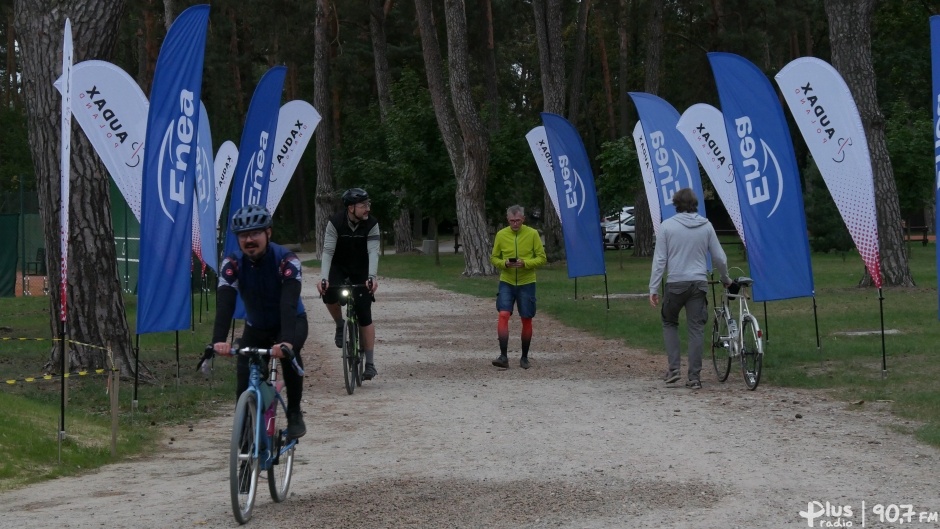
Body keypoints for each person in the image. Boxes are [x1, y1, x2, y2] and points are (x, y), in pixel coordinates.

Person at [211, 204, 308, 439]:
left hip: (291, 321)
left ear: (268, 233)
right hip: (256, 326)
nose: (249, 239)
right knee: (243, 381)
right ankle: (244, 441)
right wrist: (218, 341)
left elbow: (288, 304)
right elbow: (225, 304)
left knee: (287, 356)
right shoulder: (232, 265)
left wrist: (286, 342)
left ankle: (294, 412)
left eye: (255, 233)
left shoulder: (287, 260)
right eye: (244, 235)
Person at [648, 188, 730, 390]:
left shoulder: (667, 227)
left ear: (676, 204)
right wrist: (725, 278)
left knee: (669, 322)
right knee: (696, 329)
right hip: (698, 284)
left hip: (675, 283)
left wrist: (654, 288)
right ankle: (694, 376)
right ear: (695, 204)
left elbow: (660, 260)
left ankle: (674, 369)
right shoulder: (706, 226)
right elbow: (719, 257)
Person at [316, 188, 381, 380]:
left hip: (361, 269)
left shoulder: (372, 224)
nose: (367, 209)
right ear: (351, 208)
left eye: (368, 204)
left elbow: (373, 252)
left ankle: (369, 363)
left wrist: (372, 277)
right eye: (363, 205)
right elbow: (327, 252)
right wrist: (323, 278)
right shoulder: (335, 223)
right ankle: (339, 324)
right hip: (339, 267)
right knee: (328, 293)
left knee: (364, 313)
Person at [489, 205, 547, 369]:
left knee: (526, 318)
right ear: (508, 220)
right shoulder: (501, 235)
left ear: (523, 219)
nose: (515, 224)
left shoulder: (532, 234)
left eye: (518, 221)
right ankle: (503, 356)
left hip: (526, 281)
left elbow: (542, 258)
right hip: (506, 280)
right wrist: (504, 264)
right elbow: (494, 258)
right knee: (503, 314)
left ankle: (524, 357)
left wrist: (526, 263)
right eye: (512, 221)